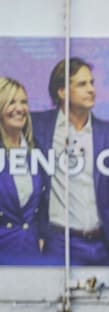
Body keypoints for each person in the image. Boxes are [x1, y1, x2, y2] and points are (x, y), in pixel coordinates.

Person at [33, 57, 109, 267]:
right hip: (58, 242)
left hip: (103, 244)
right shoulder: (40, 128)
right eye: (82, 84)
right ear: (62, 92)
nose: (91, 89)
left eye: (92, 83)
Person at [0, 77, 48, 264]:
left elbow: (44, 202)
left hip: (30, 251)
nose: (20, 109)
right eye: (12, 102)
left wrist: (42, 236)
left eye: (24, 102)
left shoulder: (36, 150)